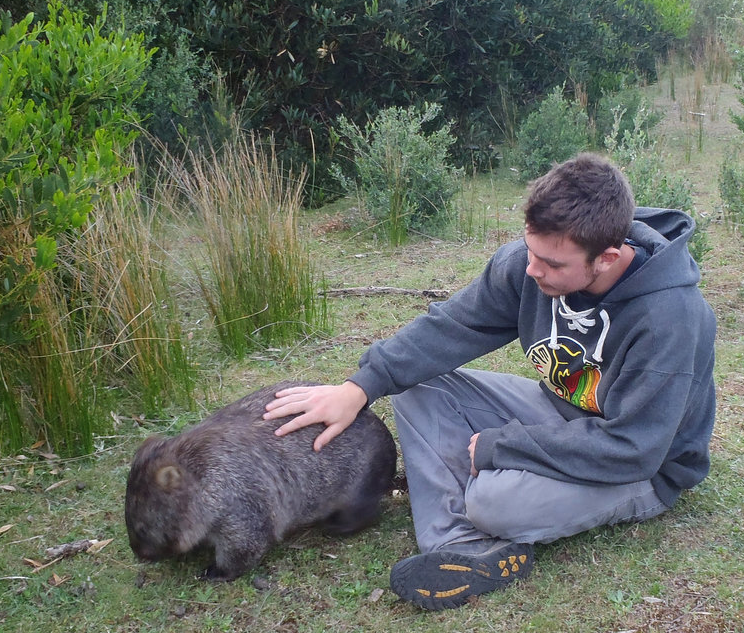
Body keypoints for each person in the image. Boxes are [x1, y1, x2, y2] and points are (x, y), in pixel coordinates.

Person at [264, 152, 717, 610]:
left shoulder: (670, 319)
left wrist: (501, 447)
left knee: (493, 503)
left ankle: (477, 511)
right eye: (531, 251)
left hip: (642, 466)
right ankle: (461, 544)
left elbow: (634, 448)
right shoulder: (529, 263)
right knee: (419, 386)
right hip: (563, 414)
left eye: (552, 264)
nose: (533, 270)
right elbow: (452, 326)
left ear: (607, 258)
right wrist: (358, 387)